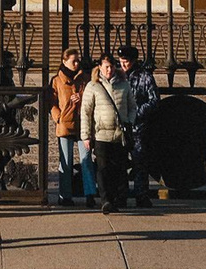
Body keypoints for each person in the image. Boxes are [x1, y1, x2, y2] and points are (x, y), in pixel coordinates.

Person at [83, 52, 133, 214]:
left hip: (119, 135)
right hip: (101, 134)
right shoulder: (93, 86)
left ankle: (115, 198)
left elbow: (132, 106)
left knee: (118, 168)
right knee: (103, 169)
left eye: (112, 66)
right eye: (106, 67)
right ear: (100, 68)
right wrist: (86, 135)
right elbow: (86, 112)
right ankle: (105, 200)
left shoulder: (124, 84)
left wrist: (128, 120)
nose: (109, 70)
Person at [48, 49, 94, 207]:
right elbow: (51, 102)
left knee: (86, 160)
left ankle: (90, 194)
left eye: (77, 60)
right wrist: (58, 117)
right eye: (73, 60)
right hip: (65, 124)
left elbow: (92, 97)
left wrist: (82, 99)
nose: (76, 63)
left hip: (82, 124)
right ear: (64, 61)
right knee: (65, 162)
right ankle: (65, 195)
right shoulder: (57, 80)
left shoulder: (85, 79)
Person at [119, 51, 161, 206]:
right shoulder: (117, 76)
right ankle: (121, 194)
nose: (123, 65)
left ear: (134, 60)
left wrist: (137, 113)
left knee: (140, 163)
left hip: (138, 127)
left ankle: (141, 194)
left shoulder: (145, 76)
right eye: (121, 61)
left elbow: (154, 100)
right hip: (121, 127)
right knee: (120, 162)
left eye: (127, 61)